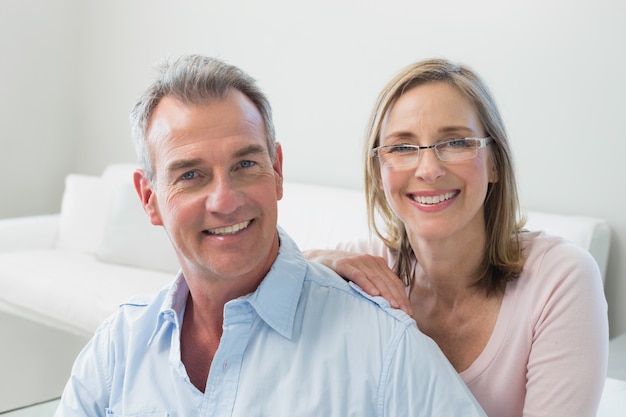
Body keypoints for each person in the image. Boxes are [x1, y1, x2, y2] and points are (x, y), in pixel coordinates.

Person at [53, 54, 486, 416]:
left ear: (277, 171)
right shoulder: (117, 350)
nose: (225, 200)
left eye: (245, 165)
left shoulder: (384, 349)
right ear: (149, 199)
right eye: (191, 175)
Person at [305, 58, 609, 417]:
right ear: (379, 171)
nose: (429, 170)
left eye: (455, 142)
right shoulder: (357, 271)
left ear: (495, 162)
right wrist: (314, 264)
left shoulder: (560, 278)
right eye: (402, 148)